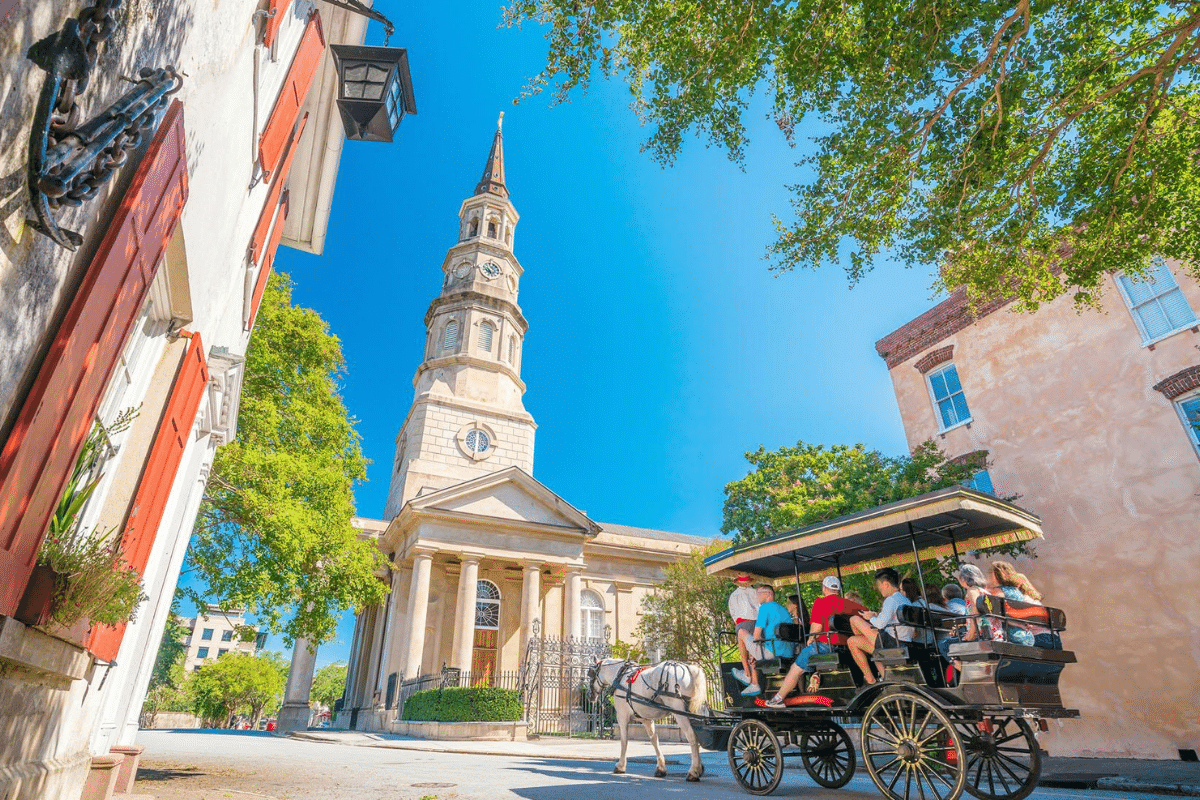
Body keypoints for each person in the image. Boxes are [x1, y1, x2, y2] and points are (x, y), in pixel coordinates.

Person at [765, 576, 865, 706]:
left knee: (796, 667)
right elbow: (867, 614)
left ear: (824, 588)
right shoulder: (850, 604)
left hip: (825, 646)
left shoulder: (820, 603)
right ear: (838, 589)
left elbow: (816, 628)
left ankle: (778, 698)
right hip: (846, 647)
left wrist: (810, 639)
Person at [846, 568, 915, 685]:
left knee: (854, 619)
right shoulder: (905, 599)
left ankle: (870, 679)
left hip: (892, 641)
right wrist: (877, 615)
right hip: (903, 640)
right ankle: (879, 679)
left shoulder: (891, 600)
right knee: (852, 641)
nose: (879, 589)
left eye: (879, 586)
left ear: (886, 584)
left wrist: (869, 617)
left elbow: (879, 624)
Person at [735, 585, 793, 696]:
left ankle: (747, 675)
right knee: (756, 649)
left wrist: (755, 649)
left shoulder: (764, 608)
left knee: (742, 631)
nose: (756, 596)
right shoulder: (783, 609)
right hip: (787, 652)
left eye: (759, 593)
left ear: (768, 594)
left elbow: (756, 637)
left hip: (772, 653)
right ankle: (754, 683)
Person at [990, 561, 1062, 649]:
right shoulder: (1034, 601)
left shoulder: (1023, 600)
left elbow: (1025, 624)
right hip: (1055, 639)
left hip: (1038, 638)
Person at [938, 563, 990, 660]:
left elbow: (976, 611)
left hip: (979, 634)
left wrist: (971, 633)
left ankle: (962, 669)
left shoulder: (972, 591)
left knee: (944, 645)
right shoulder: (984, 590)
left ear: (964, 579)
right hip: (987, 631)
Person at [728, 574, 761, 688]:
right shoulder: (755, 592)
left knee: (744, 654)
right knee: (753, 654)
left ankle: (747, 674)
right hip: (756, 624)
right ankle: (755, 681)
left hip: (742, 624)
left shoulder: (734, 595)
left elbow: (733, 613)